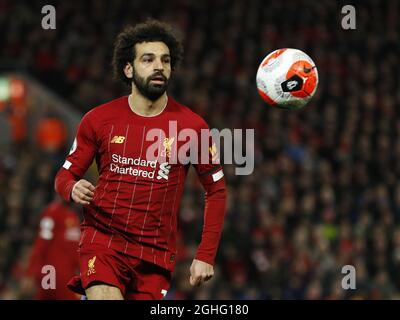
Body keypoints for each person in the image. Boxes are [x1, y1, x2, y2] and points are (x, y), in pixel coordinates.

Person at [54, 19, 227, 300]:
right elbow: (64, 176)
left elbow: (216, 191)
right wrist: (71, 188)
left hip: (154, 256)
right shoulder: (98, 120)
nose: (159, 66)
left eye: (165, 60)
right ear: (128, 69)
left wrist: (205, 255)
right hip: (103, 242)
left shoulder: (193, 127)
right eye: (148, 59)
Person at [22, 197, 80, 300]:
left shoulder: (73, 217)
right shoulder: (52, 213)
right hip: (51, 273)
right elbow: (41, 243)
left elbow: (76, 252)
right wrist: (30, 273)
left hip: (67, 275)